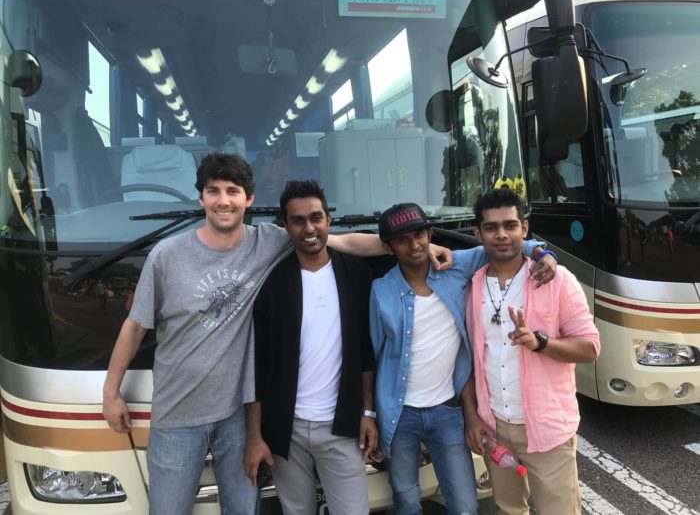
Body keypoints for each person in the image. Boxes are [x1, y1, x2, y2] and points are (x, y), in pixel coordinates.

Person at [101, 154, 451, 515]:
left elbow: (345, 242)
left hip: (236, 417)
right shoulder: (166, 256)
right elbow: (135, 327)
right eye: (214, 191)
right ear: (200, 197)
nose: (223, 200)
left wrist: (423, 248)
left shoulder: (268, 242)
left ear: (249, 199)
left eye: (233, 191)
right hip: (177, 416)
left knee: (243, 510)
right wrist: (111, 393)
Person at [369, 202, 555, 515]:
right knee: (406, 497)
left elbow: (500, 247)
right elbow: (377, 354)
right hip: (400, 414)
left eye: (419, 235)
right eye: (402, 240)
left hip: (448, 411)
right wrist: (372, 414)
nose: (414, 245)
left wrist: (542, 252)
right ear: (389, 247)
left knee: (465, 504)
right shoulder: (381, 290)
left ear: (430, 235)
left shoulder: (454, 268)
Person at [463, 188, 600, 515]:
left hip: (546, 427)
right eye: (492, 227)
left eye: (510, 225)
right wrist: (473, 417)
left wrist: (542, 343)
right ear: (478, 233)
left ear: (524, 229)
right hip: (495, 426)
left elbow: (590, 347)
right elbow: (469, 360)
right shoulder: (471, 285)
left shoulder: (557, 280)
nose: (502, 235)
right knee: (509, 508)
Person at [244, 180, 378, 514]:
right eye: (298, 220)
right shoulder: (271, 285)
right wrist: (255, 435)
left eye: (316, 217)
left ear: (328, 220)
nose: (309, 228)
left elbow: (365, 353)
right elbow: (258, 365)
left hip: (342, 427)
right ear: (285, 226)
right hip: (285, 430)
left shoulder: (356, 276)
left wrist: (367, 412)